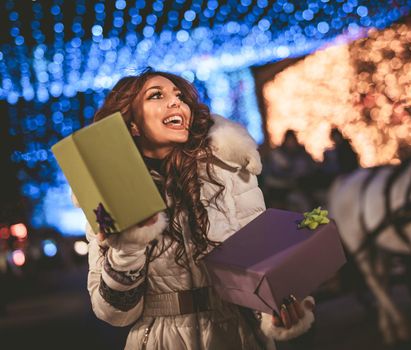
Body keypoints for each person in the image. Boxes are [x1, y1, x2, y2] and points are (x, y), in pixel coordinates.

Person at [77, 70, 315, 349]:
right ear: (132, 126)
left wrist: (276, 311)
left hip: (239, 335)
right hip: (160, 340)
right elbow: (113, 313)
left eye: (180, 96)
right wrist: (127, 249)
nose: (176, 102)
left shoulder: (229, 170)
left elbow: (260, 264)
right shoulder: (108, 194)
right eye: (157, 95)